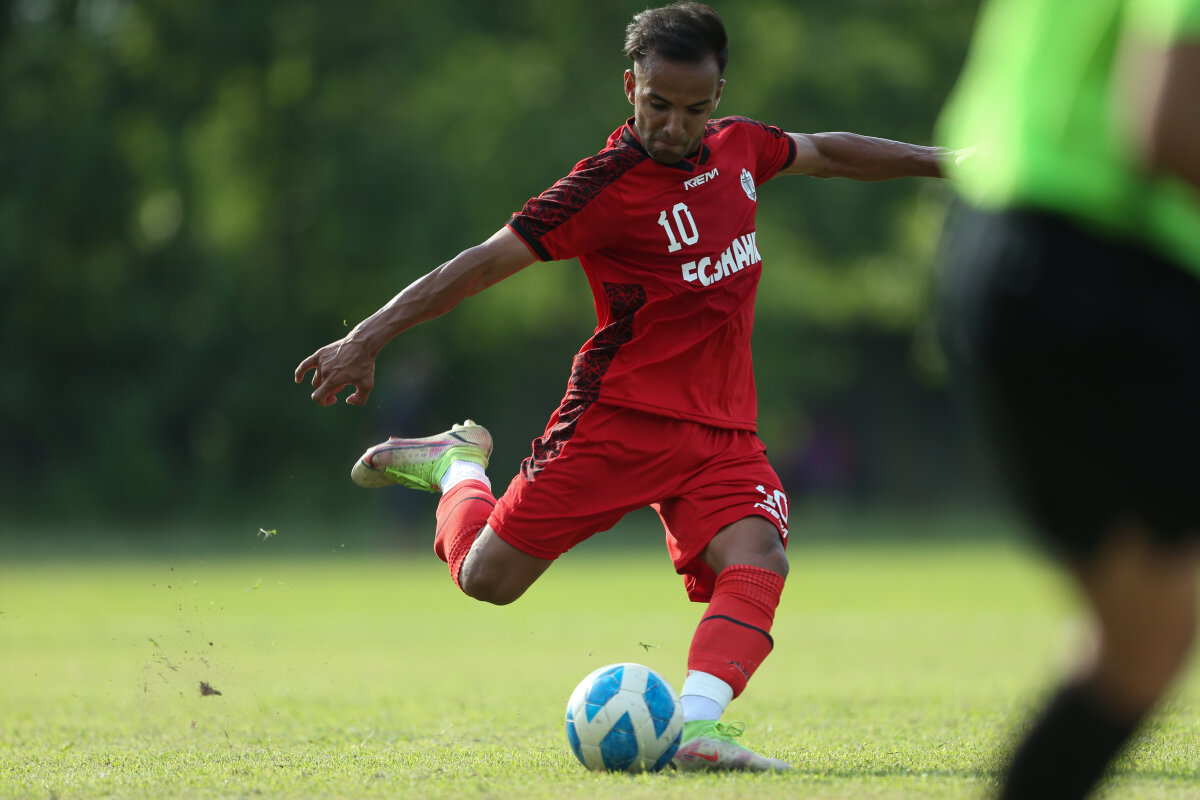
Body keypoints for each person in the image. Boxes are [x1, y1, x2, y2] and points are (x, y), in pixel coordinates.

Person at [297, 2, 946, 771]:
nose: (674, 125)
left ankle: (697, 729)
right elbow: (477, 265)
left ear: (718, 95)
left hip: (720, 431)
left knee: (760, 553)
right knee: (487, 580)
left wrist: (950, 160)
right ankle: (459, 466)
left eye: (694, 109)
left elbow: (829, 153)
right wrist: (366, 337)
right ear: (630, 86)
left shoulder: (741, 147)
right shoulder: (601, 188)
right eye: (658, 104)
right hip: (617, 418)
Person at [936, 1, 1200, 797]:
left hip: (1008, 245)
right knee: (1147, 632)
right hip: (1101, 263)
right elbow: (1167, 121)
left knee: (1143, 642)